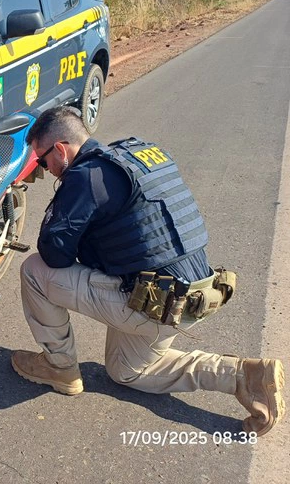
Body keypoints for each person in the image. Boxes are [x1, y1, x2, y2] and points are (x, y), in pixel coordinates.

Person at [14, 106, 285, 436]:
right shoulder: (139, 151)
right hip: (195, 296)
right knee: (127, 372)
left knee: (33, 271)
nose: (46, 171)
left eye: (42, 163)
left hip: (153, 302)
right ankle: (244, 377)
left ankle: (58, 368)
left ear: (60, 149)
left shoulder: (84, 176)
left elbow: (54, 254)